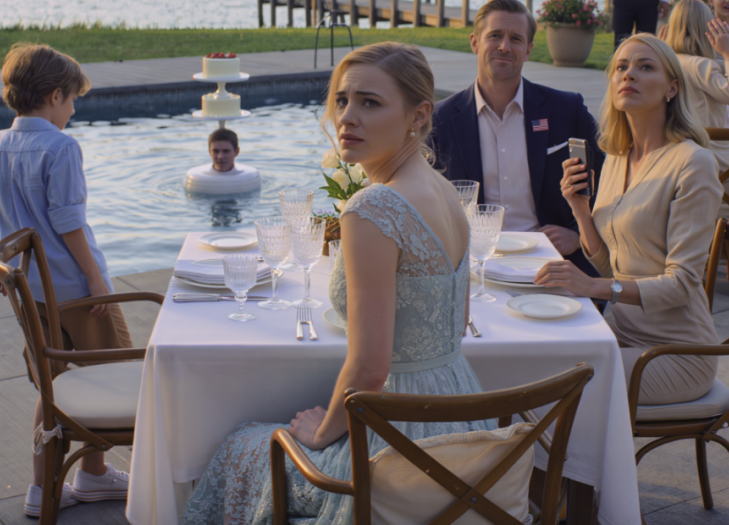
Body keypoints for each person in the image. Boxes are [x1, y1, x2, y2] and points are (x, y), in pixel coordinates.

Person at [181, 43, 494, 525]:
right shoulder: (446, 192)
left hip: (396, 437)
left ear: (419, 115)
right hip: (461, 420)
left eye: (371, 102)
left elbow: (370, 367)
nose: (348, 116)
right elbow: (460, 318)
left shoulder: (372, 208)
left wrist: (323, 433)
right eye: (343, 100)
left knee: (241, 442)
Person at [0, 44, 132, 516]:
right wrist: (95, 279)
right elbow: (68, 222)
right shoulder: (61, 147)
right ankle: (93, 475)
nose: (73, 110)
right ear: (55, 94)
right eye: (71, 101)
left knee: (52, 382)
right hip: (75, 292)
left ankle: (42, 488)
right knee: (106, 372)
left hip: (32, 293)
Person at [535, 34, 722, 405]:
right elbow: (612, 269)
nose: (629, 75)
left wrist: (592, 288)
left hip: (675, 353)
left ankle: (565, 465)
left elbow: (682, 284)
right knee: (531, 356)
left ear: (672, 87)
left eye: (644, 67)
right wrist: (579, 210)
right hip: (617, 333)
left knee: (548, 387)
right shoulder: (616, 156)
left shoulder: (692, 163)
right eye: (621, 67)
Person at [431, 0, 603, 276]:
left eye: (516, 39)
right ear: (475, 42)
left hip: (556, 264)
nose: (504, 47)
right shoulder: (440, 120)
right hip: (472, 268)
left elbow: (610, 178)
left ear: (529, 50)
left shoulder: (566, 110)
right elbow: (421, 199)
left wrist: (578, 233)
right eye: (495, 36)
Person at [663, 0, 729, 216]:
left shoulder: (666, 64)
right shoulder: (700, 65)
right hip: (717, 166)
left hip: (678, 161)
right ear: (705, 28)